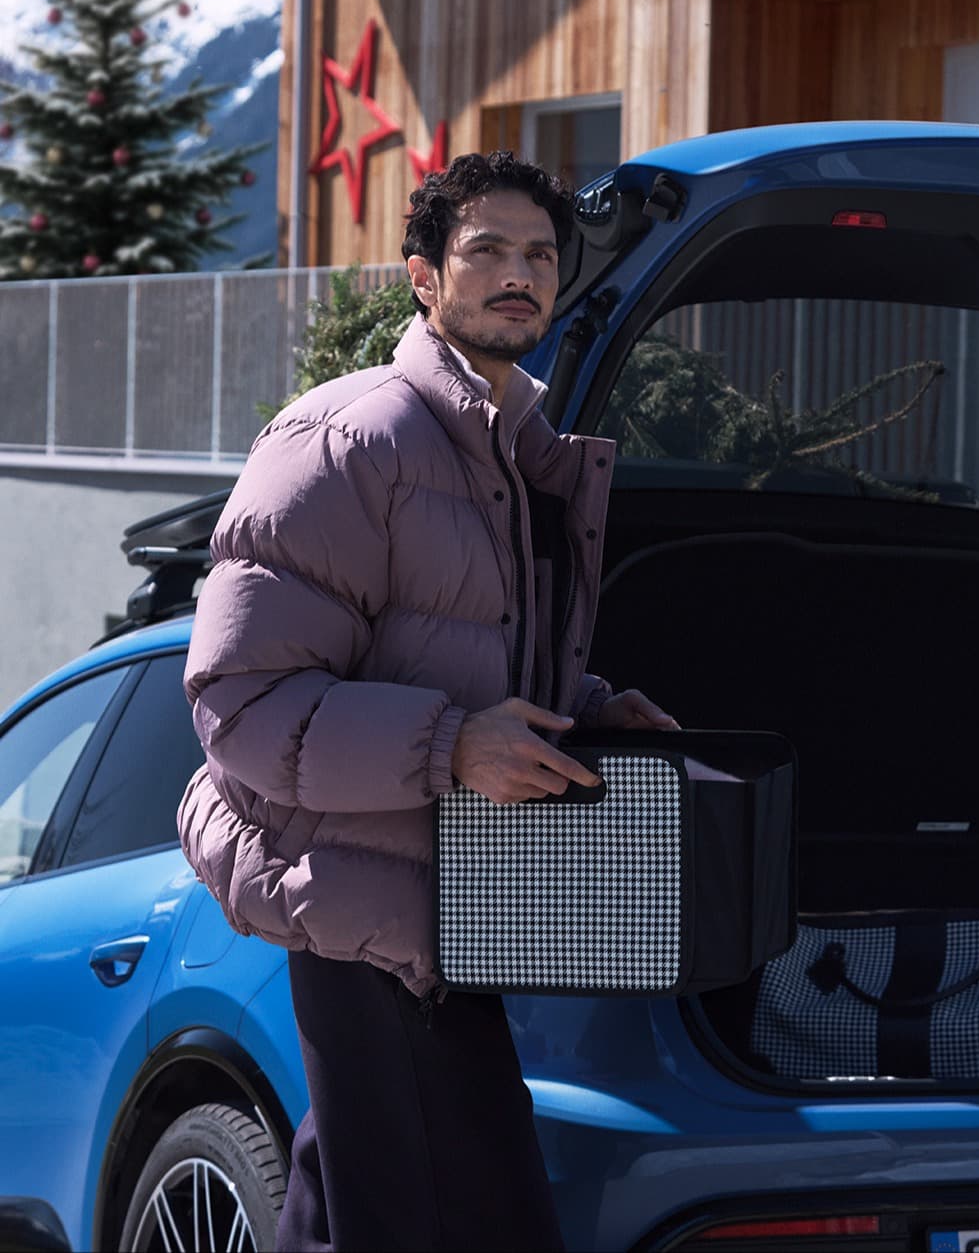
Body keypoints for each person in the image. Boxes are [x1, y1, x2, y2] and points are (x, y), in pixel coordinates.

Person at [177, 150, 679, 1253]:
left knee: (352, 1211)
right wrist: (454, 749)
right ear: (420, 278)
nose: (519, 275)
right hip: (373, 919)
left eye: (540, 255)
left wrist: (590, 711)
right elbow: (240, 701)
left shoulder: (514, 453)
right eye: (487, 251)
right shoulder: (350, 438)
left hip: (464, 911)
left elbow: (469, 659)